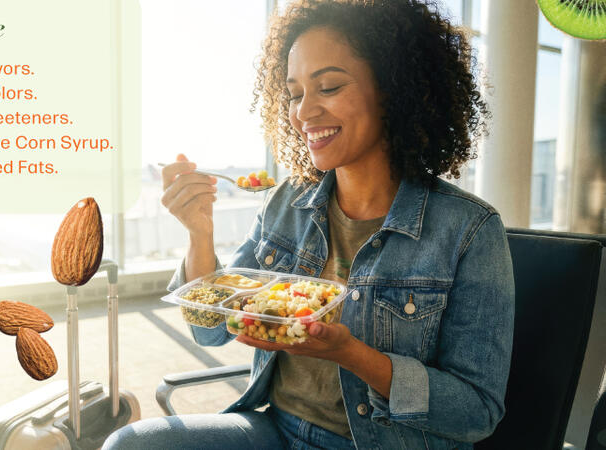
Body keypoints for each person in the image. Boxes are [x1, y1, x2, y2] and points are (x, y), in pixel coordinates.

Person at [104, 0, 514, 448]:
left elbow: (477, 412)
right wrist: (199, 232)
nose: (303, 112)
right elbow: (211, 329)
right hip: (280, 429)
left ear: (395, 91)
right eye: (295, 94)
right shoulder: (287, 200)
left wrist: (352, 355)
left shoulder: (469, 231)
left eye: (330, 87)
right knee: (131, 444)